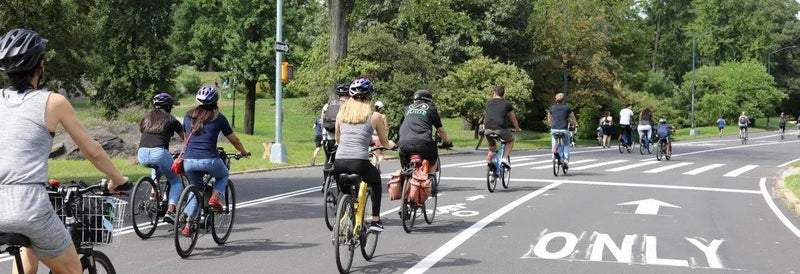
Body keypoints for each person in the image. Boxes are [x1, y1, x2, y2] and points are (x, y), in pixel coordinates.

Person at [0, 28, 129, 274]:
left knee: (28, 256)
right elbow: (93, 151)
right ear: (41, 65)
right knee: (71, 270)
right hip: (28, 208)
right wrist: (118, 179)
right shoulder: (53, 101)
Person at [180, 86, 250, 236]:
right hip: (210, 160)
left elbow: (186, 139)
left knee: (195, 190)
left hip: (189, 161)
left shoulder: (187, 116)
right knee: (223, 174)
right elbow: (234, 140)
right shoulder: (218, 118)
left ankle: (187, 225)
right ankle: (214, 198)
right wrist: (243, 152)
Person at [333, 78, 394, 232]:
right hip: (359, 162)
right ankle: (375, 221)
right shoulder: (375, 117)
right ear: (369, 97)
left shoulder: (341, 114)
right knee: (375, 181)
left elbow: (338, 139)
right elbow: (384, 143)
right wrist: (392, 145)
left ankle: (344, 215)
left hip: (339, 162)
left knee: (344, 190)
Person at [137, 93, 186, 224]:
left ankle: (154, 194)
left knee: (155, 165)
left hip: (141, 153)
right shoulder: (171, 120)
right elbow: (186, 140)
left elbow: (144, 135)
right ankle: (170, 211)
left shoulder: (146, 118)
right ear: (169, 106)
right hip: (159, 152)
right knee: (176, 181)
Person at [398, 90, 452, 179]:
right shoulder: (431, 109)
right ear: (429, 100)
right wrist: (447, 142)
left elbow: (402, 125)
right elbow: (440, 130)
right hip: (423, 142)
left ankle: (406, 180)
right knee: (433, 156)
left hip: (404, 143)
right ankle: (431, 178)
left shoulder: (407, 108)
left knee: (405, 167)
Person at [483, 86, 522, 168]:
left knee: (492, 147)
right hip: (500, 129)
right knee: (511, 140)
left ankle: (490, 158)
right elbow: (513, 117)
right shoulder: (507, 104)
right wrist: (517, 128)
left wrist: (484, 126)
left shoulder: (488, 102)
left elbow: (486, 116)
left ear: (494, 93)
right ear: (503, 94)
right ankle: (504, 158)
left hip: (488, 128)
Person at [547, 93, 577, 167]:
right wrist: (575, 125)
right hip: (564, 129)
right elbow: (573, 118)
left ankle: (554, 153)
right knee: (566, 144)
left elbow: (549, 119)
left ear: (555, 99)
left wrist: (552, 125)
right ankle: (566, 160)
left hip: (554, 129)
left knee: (554, 138)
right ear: (563, 100)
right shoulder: (567, 108)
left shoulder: (551, 108)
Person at [371, 101, 392, 165]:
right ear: (381, 108)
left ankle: (374, 166)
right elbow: (386, 128)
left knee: (375, 155)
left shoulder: (372, 115)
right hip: (380, 137)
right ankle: (378, 164)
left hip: (372, 137)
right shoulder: (382, 116)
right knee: (381, 155)